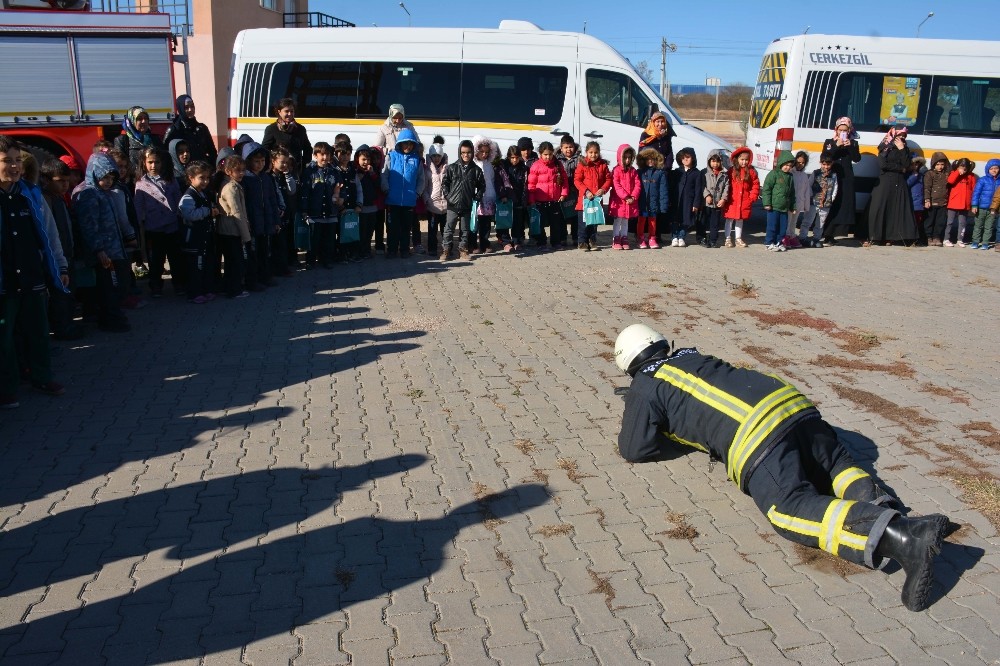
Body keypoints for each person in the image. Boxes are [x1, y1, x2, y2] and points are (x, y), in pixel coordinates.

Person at [613, 323, 950, 613]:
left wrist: (673, 431)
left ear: (628, 364)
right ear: (660, 342)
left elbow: (634, 448)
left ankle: (902, 538)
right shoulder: (691, 354)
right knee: (835, 467)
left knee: (788, 510)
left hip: (759, 438)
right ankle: (902, 518)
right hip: (796, 407)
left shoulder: (644, 385)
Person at [0, 135, 69, 408]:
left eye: (17, 161)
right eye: (7, 161)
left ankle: (42, 376)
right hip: (4, 283)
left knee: (38, 332)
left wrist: (60, 266)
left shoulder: (31, 194)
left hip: (32, 278)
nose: (15, 167)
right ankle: (7, 387)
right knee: (4, 340)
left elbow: (50, 235)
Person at [73, 153, 135, 332]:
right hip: (103, 252)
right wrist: (99, 249)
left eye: (111, 177)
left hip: (113, 249)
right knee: (107, 288)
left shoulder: (104, 193)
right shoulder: (88, 194)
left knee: (115, 286)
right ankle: (110, 319)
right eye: (104, 177)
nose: (108, 181)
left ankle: (111, 316)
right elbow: (89, 226)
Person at [39, 159, 84, 340]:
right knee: (60, 294)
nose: (65, 184)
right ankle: (61, 327)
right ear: (46, 180)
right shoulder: (45, 199)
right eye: (60, 181)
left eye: (66, 180)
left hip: (67, 253)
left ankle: (68, 323)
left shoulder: (59, 198)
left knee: (68, 292)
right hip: (55, 257)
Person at [133, 147, 183, 297]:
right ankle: (156, 285)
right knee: (156, 259)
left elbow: (178, 199)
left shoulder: (170, 180)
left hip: (172, 226)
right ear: (144, 163)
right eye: (150, 162)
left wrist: (178, 215)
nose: (154, 166)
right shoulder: (141, 184)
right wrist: (140, 223)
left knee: (175, 258)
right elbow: (139, 206)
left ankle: (179, 284)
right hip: (154, 228)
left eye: (157, 162)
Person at [865, 127, 916, 247]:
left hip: (899, 182)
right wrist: (900, 168)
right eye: (900, 135)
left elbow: (907, 165)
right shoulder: (885, 146)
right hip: (885, 181)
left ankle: (891, 237)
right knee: (879, 208)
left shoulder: (905, 149)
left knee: (895, 210)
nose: (902, 138)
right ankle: (875, 237)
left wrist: (902, 149)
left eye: (904, 136)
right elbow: (883, 165)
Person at [178, 161, 219, 304]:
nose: (205, 181)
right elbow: (189, 214)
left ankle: (206, 289)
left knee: (206, 265)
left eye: (207, 178)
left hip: (204, 238)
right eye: (202, 178)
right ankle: (194, 292)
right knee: (196, 268)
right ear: (191, 177)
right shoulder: (189, 196)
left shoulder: (203, 194)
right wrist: (208, 211)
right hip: (193, 240)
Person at [380, 128, 425, 258]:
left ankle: (405, 249)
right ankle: (392, 250)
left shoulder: (417, 160)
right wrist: (386, 189)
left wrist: (417, 193)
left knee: (406, 228)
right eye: (405, 143)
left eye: (410, 144)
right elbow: (384, 174)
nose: (408, 146)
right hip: (392, 200)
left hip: (409, 201)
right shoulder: (391, 156)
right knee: (392, 227)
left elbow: (421, 179)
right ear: (400, 143)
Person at [440, 139, 484, 261]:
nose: (466, 155)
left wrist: (477, 197)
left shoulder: (476, 170)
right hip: (452, 204)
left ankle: (463, 250)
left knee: (465, 230)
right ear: (459, 152)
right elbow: (445, 183)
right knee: (448, 229)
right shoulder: (452, 168)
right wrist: (448, 196)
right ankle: (446, 250)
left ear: (472, 153)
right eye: (463, 152)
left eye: (469, 152)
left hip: (467, 205)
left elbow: (482, 186)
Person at [639, 111, 676, 246]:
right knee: (646, 206)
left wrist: (666, 166)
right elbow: (641, 152)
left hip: (662, 172)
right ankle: (642, 236)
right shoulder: (646, 135)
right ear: (652, 123)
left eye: (662, 121)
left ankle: (656, 235)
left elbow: (670, 153)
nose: (660, 124)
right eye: (657, 122)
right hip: (649, 173)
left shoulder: (666, 136)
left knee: (659, 205)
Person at [821, 117, 861, 243]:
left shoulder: (853, 143)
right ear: (836, 130)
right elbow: (825, 157)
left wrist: (850, 147)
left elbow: (857, 159)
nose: (842, 132)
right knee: (830, 204)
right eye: (840, 129)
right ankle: (825, 232)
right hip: (832, 175)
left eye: (845, 130)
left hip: (846, 177)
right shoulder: (829, 142)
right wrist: (836, 146)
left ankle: (834, 233)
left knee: (843, 205)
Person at [216, 154, 251, 299]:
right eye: (238, 170)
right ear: (229, 171)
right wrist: (246, 236)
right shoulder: (231, 188)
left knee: (231, 261)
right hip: (231, 230)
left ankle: (228, 287)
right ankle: (234, 289)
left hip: (227, 230)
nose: (242, 173)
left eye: (243, 170)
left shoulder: (230, 184)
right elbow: (237, 213)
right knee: (235, 262)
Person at [300, 142, 339, 268]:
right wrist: (304, 210)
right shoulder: (309, 172)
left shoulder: (334, 172)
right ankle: (310, 260)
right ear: (315, 155)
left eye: (327, 154)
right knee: (314, 239)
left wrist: (339, 197)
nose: (325, 158)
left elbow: (340, 187)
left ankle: (326, 260)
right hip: (314, 212)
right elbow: (304, 192)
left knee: (328, 240)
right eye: (321, 154)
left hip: (330, 211)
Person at [527, 141, 568, 250]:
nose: (548, 157)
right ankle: (541, 242)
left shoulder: (557, 164)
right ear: (540, 154)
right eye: (545, 155)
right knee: (540, 223)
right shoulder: (535, 166)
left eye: (550, 154)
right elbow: (531, 184)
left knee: (555, 223)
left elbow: (564, 181)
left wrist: (564, 193)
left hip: (555, 200)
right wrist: (531, 200)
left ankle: (556, 242)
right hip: (540, 201)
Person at [573, 141, 612, 252]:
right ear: (586, 152)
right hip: (585, 201)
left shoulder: (603, 165)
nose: (593, 155)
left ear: (599, 153)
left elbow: (609, 179)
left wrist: (603, 189)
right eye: (591, 152)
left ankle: (593, 241)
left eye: (595, 152)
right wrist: (586, 191)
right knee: (584, 223)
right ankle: (582, 242)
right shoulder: (582, 164)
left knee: (594, 222)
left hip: (596, 200)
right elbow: (577, 180)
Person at [262, 98, 311, 179]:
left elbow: (307, 149)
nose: (290, 114)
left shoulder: (300, 129)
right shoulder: (272, 129)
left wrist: (302, 164)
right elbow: (265, 149)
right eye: (286, 111)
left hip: (295, 171)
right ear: (279, 112)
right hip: (278, 172)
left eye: (292, 111)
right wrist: (272, 164)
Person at [721, 146, 760, 248]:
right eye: (742, 160)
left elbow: (755, 185)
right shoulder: (732, 171)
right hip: (732, 200)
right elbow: (726, 184)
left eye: (746, 160)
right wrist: (725, 197)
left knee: (740, 220)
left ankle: (738, 238)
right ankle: (728, 238)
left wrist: (752, 197)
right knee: (729, 219)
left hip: (744, 200)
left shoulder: (751, 172)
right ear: (737, 159)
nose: (744, 162)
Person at [163, 95, 217, 166]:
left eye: (192, 106)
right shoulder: (174, 129)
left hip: (201, 170)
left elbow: (212, 151)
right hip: (182, 172)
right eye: (186, 107)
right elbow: (164, 153)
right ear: (180, 109)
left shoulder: (202, 128)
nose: (190, 110)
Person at [798, 154, 838, 248]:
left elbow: (835, 188)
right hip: (813, 202)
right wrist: (811, 196)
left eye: (828, 165)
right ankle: (802, 237)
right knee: (808, 220)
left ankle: (816, 238)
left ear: (831, 164)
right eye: (824, 164)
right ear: (820, 163)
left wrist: (831, 198)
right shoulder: (815, 173)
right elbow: (809, 184)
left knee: (821, 222)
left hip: (826, 203)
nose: (826, 167)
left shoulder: (833, 175)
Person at [761, 150, 796, 251]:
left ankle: (779, 242)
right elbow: (767, 188)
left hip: (784, 208)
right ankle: (769, 242)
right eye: (786, 165)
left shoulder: (790, 177)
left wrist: (793, 206)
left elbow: (792, 193)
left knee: (782, 228)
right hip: (773, 207)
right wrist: (767, 203)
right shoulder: (774, 174)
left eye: (790, 166)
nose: (788, 167)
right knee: (772, 226)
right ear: (781, 163)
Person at [496, 145, 528, 253]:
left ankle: (516, 241)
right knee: (504, 221)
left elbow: (525, 183)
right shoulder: (503, 167)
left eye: (517, 157)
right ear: (508, 157)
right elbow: (499, 182)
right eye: (512, 157)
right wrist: (502, 195)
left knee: (518, 222)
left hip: (518, 198)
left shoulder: (523, 168)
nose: (515, 160)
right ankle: (505, 242)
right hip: (506, 199)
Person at [113, 106, 163, 174]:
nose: (144, 121)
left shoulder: (154, 139)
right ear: (132, 120)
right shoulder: (122, 140)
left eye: (146, 118)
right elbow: (120, 163)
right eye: (139, 119)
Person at [471, 135, 499, 254]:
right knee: (473, 222)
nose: (484, 154)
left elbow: (492, 179)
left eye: (487, 152)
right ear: (476, 151)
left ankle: (485, 243)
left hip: (488, 195)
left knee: (486, 222)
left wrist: (493, 194)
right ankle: (472, 244)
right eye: (481, 151)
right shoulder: (473, 164)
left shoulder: (489, 164)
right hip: (475, 197)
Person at [670, 147, 703, 248]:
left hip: (689, 201)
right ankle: (674, 237)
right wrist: (670, 200)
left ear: (693, 158)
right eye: (683, 158)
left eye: (688, 157)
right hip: (677, 200)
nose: (685, 160)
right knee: (675, 219)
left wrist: (696, 203)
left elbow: (698, 190)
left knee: (686, 220)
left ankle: (681, 237)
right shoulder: (677, 172)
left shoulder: (697, 173)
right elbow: (672, 186)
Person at [636, 148, 668, 249]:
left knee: (652, 221)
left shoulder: (660, 173)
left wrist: (663, 205)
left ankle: (652, 237)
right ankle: (640, 237)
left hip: (653, 202)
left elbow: (663, 190)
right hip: (642, 202)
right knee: (641, 220)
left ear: (656, 160)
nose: (650, 161)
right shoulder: (640, 172)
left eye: (653, 159)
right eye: (648, 159)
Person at [609, 144, 639, 251]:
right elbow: (616, 185)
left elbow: (637, 184)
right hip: (619, 201)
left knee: (626, 221)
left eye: (629, 158)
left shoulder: (633, 171)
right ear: (620, 157)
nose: (627, 160)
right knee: (618, 220)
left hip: (630, 201)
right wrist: (625, 196)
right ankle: (616, 238)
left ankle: (624, 237)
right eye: (625, 157)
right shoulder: (616, 170)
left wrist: (634, 196)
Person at [354, 145, 381, 259]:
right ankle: (361, 250)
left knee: (370, 230)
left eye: (368, 159)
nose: (366, 162)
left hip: (372, 206)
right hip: (362, 207)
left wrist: (372, 174)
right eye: (363, 159)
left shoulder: (373, 171)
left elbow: (378, 186)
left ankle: (367, 249)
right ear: (357, 159)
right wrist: (358, 179)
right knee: (362, 231)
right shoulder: (355, 172)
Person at [423, 138, 448, 257]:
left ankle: (447, 248)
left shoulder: (447, 170)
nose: (436, 158)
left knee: (445, 230)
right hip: (432, 206)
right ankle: (432, 248)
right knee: (432, 230)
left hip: (446, 205)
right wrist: (427, 200)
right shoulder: (427, 171)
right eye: (434, 156)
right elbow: (424, 187)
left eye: (438, 155)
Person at [701, 150, 730, 249]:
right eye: (713, 161)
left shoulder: (724, 174)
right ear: (709, 161)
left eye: (717, 161)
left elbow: (726, 187)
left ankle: (713, 240)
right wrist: (707, 195)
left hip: (717, 203)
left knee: (715, 223)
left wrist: (723, 199)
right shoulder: (704, 172)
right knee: (704, 221)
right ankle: (703, 238)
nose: (715, 164)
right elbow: (702, 185)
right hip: (707, 203)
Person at [944, 158, 976, 247]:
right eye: (961, 166)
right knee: (949, 222)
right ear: (957, 166)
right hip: (953, 202)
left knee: (962, 223)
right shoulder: (954, 173)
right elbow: (950, 181)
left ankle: (960, 239)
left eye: (965, 167)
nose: (963, 169)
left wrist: (973, 203)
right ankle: (946, 239)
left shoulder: (971, 176)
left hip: (965, 203)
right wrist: (958, 172)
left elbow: (974, 189)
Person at [970, 158, 999, 249]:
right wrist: (974, 205)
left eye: (996, 168)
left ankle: (985, 243)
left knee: (989, 227)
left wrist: (995, 208)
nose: (994, 170)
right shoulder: (983, 180)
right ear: (987, 170)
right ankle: (975, 241)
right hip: (981, 207)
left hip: (993, 209)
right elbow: (976, 193)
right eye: (991, 169)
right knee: (978, 225)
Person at [558, 135, 581, 246]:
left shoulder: (579, 159)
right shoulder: (557, 159)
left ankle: (575, 237)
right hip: (561, 192)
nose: (568, 150)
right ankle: (562, 237)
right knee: (562, 215)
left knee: (575, 215)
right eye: (566, 147)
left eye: (570, 147)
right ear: (561, 148)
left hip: (576, 191)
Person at [923, 152, 950, 246]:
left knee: (940, 222)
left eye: (942, 164)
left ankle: (937, 237)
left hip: (943, 203)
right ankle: (928, 237)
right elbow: (927, 187)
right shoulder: (930, 174)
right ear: (933, 164)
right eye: (938, 164)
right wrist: (927, 200)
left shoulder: (946, 174)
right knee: (929, 221)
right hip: (932, 202)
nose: (940, 167)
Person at [789, 151, 813, 247]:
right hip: (790, 203)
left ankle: (792, 236)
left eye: (803, 163)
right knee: (788, 221)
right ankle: (786, 236)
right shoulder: (791, 173)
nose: (800, 165)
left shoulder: (804, 175)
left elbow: (806, 192)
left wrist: (806, 206)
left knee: (794, 222)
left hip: (799, 203)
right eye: (798, 162)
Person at [907, 157, 927, 245]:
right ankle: (910, 238)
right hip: (911, 202)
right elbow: (907, 184)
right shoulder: (908, 175)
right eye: (913, 164)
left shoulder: (922, 175)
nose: (915, 166)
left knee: (919, 222)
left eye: (917, 164)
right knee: (911, 221)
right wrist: (914, 176)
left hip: (919, 203)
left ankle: (917, 239)